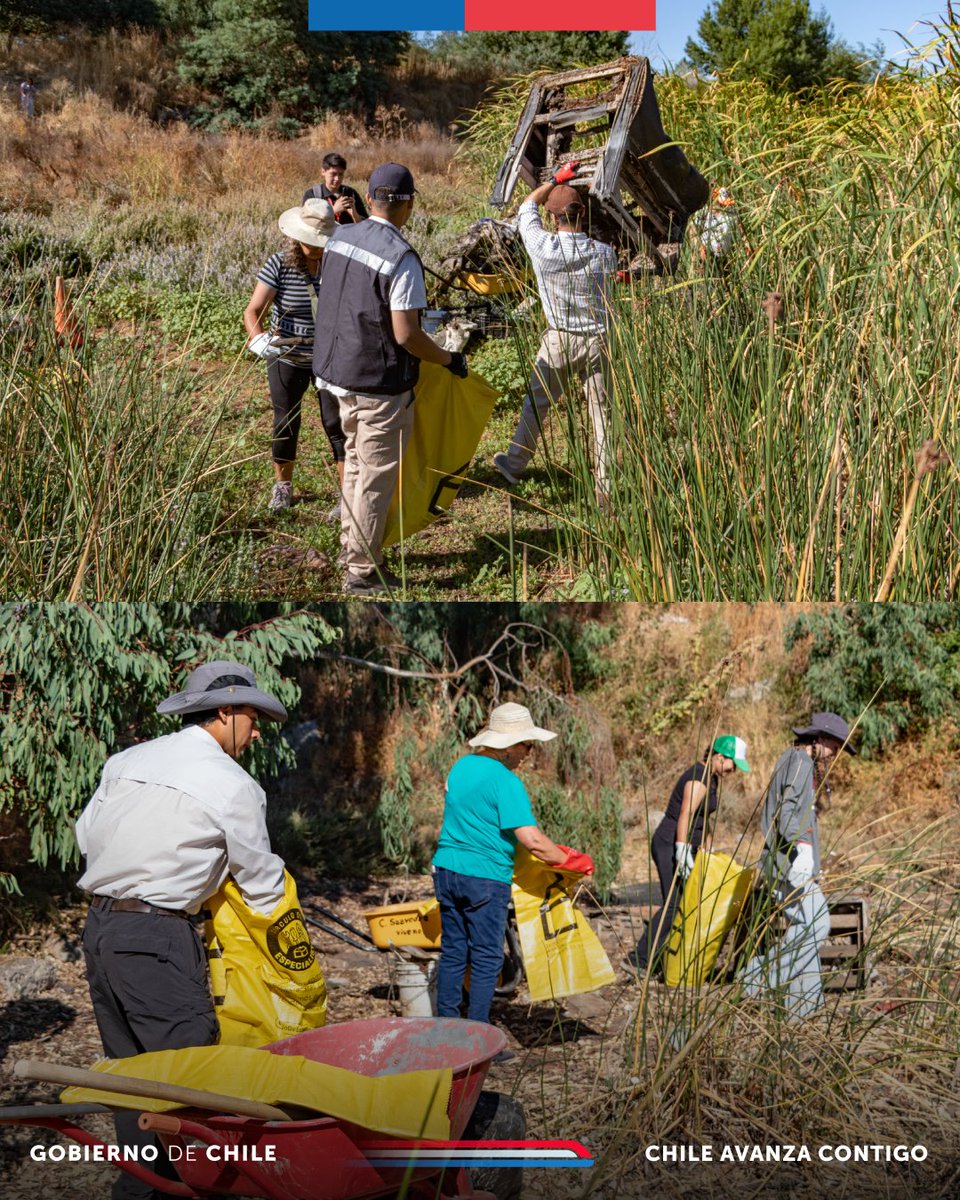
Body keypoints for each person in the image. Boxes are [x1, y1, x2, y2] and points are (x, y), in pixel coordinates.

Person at [75, 661, 288, 1200]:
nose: (259, 730)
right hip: (156, 935)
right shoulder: (232, 783)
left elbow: (86, 836)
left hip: (100, 928)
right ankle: (200, 1187)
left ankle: (141, 1187)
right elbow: (261, 880)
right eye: (255, 718)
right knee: (192, 1080)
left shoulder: (127, 760)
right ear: (225, 712)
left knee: (130, 1075)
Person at [312, 162, 468, 596]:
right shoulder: (402, 257)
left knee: (356, 465)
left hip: (335, 374)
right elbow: (406, 334)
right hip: (377, 383)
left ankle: (352, 545)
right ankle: (362, 570)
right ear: (410, 204)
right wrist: (447, 358)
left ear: (371, 196)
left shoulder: (340, 236)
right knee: (376, 474)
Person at [432, 703, 586, 1051]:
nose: (530, 753)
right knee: (487, 957)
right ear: (508, 745)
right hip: (484, 878)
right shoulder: (506, 782)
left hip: (446, 870)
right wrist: (573, 863)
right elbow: (531, 840)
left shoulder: (460, 767)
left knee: (455, 952)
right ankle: (478, 1040)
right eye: (527, 745)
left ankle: (446, 1032)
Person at [492, 162, 618, 496]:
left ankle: (514, 463)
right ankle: (605, 484)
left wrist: (553, 180)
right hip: (598, 340)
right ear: (582, 215)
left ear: (553, 218)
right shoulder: (605, 255)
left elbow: (525, 208)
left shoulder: (542, 249)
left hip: (559, 339)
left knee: (537, 404)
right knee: (602, 413)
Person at [740, 711, 856, 1019]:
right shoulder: (800, 763)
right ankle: (754, 982)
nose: (835, 753)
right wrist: (802, 849)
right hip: (786, 863)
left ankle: (801, 1005)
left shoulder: (794, 760)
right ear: (818, 739)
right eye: (834, 745)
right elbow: (788, 812)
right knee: (817, 924)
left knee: (808, 928)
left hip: (790, 862)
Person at [244, 198, 345, 514]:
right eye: (310, 242)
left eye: (320, 242)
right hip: (286, 355)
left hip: (328, 357)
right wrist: (259, 338)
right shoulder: (279, 265)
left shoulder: (337, 265)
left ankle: (347, 496)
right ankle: (282, 488)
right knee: (285, 420)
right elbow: (254, 310)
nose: (315, 249)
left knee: (336, 422)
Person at [629, 735, 751, 974]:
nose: (733, 770)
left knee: (683, 903)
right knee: (673, 904)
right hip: (669, 843)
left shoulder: (712, 779)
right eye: (732, 764)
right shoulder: (699, 778)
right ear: (719, 756)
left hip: (686, 844)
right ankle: (638, 959)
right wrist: (682, 847)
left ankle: (662, 961)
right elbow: (685, 813)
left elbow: (702, 817)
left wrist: (707, 845)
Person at [694, 185, 751, 272]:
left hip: (725, 256)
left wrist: (747, 245)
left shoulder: (731, 212)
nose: (724, 207)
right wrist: (700, 247)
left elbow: (740, 228)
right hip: (707, 255)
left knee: (725, 280)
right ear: (715, 200)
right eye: (722, 204)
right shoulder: (704, 212)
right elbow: (694, 230)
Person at [303, 151, 368, 224]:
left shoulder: (351, 193)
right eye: (333, 174)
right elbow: (308, 223)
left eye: (341, 174)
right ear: (323, 172)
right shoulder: (313, 195)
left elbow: (365, 226)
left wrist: (354, 214)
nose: (337, 178)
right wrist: (333, 211)